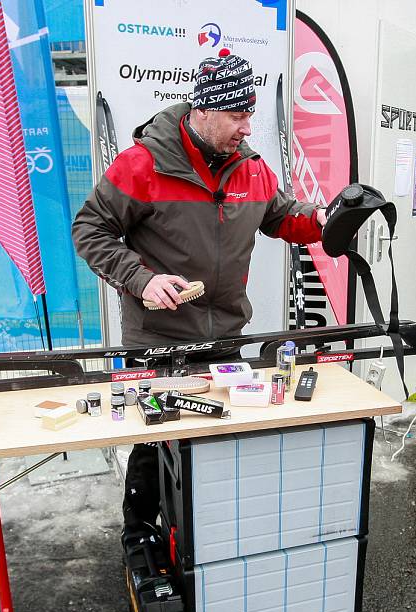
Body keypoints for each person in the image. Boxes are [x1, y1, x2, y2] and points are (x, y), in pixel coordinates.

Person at [73, 50, 325, 535]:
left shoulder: (251, 168)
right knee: (154, 446)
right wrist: (141, 278)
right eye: (237, 115)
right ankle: (142, 537)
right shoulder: (141, 165)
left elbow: (281, 217)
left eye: (250, 114)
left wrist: (325, 220)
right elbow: (90, 230)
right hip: (156, 342)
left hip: (224, 338)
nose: (246, 127)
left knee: (218, 439)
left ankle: (207, 539)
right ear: (203, 110)